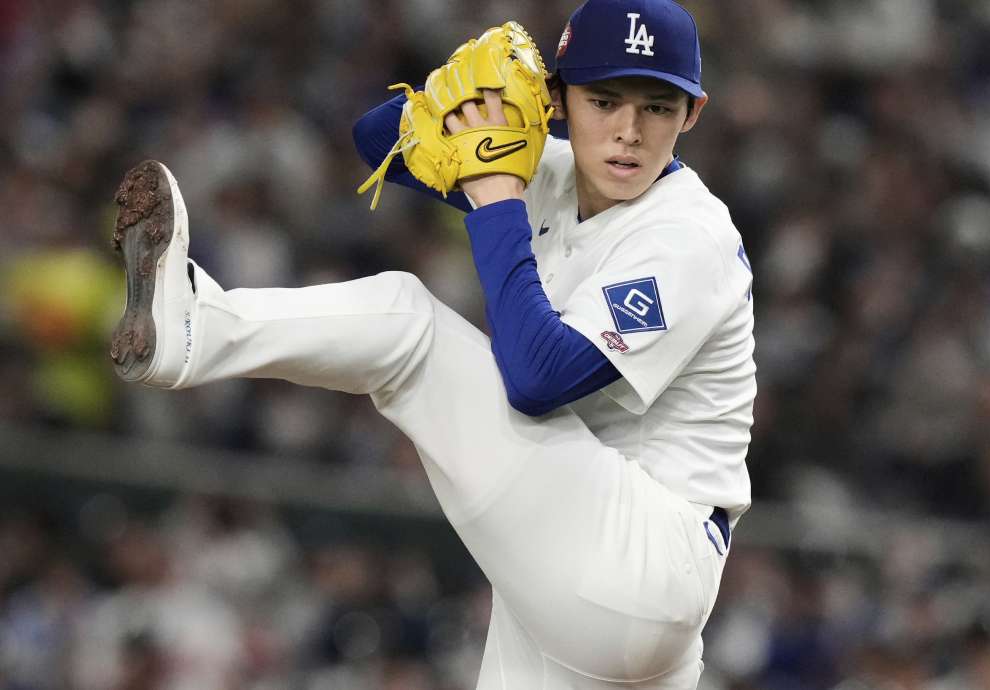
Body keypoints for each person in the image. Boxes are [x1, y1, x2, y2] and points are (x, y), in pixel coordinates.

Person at [108, 0, 754, 686]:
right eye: (604, 100)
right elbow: (378, 140)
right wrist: (486, 95)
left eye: (656, 107)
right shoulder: (551, 167)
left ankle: (195, 328)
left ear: (692, 113)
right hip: (578, 573)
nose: (628, 130)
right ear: (559, 98)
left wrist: (497, 198)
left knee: (408, 326)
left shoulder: (688, 236)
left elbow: (537, 381)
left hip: (644, 556)